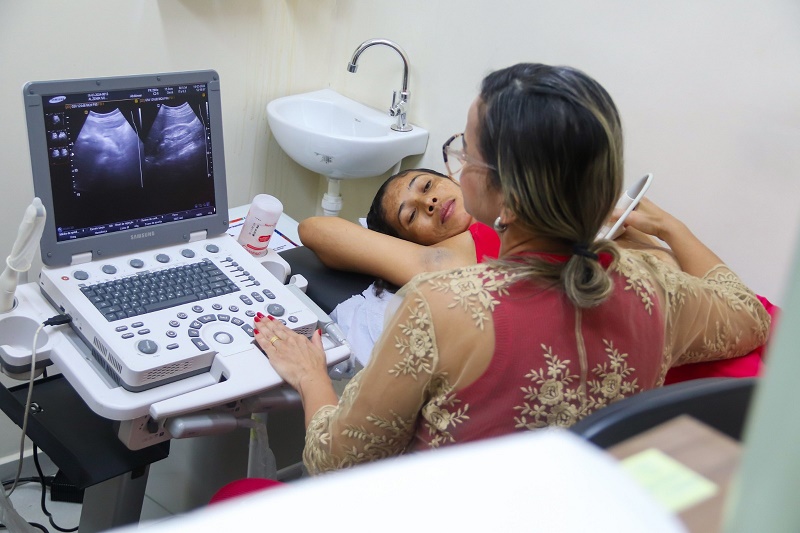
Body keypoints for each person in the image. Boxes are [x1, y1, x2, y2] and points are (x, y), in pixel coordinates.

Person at [255, 63, 771, 475]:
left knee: (242, 494)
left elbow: (336, 461)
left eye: (465, 153)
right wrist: (672, 229)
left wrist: (310, 376)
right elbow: (751, 315)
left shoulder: (441, 306)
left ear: (500, 189)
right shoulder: (656, 288)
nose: (448, 178)